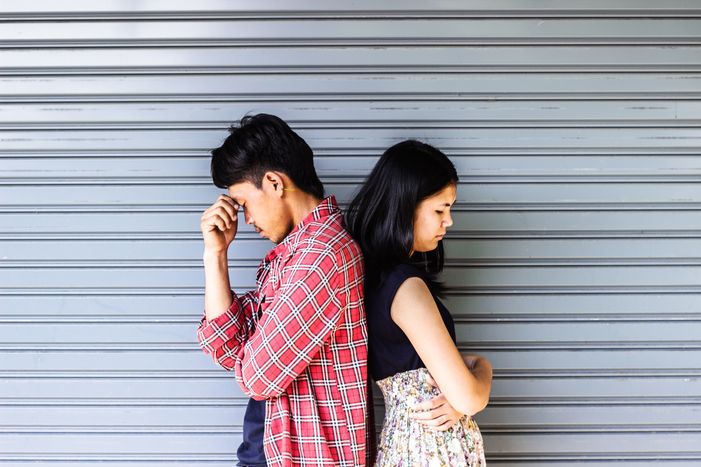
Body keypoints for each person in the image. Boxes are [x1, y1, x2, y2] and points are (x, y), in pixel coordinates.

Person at [196, 114, 369, 467]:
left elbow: (257, 376)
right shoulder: (291, 258)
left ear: (274, 183)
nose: (245, 220)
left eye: (244, 204)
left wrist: (249, 349)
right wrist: (215, 254)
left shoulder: (324, 257)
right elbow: (225, 345)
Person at [345, 140, 492, 466]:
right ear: (404, 206)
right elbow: (468, 396)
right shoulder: (406, 288)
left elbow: (423, 367)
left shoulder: (376, 281)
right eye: (440, 209)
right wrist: (483, 377)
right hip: (429, 445)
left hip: (406, 442)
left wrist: (476, 370)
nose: (448, 221)